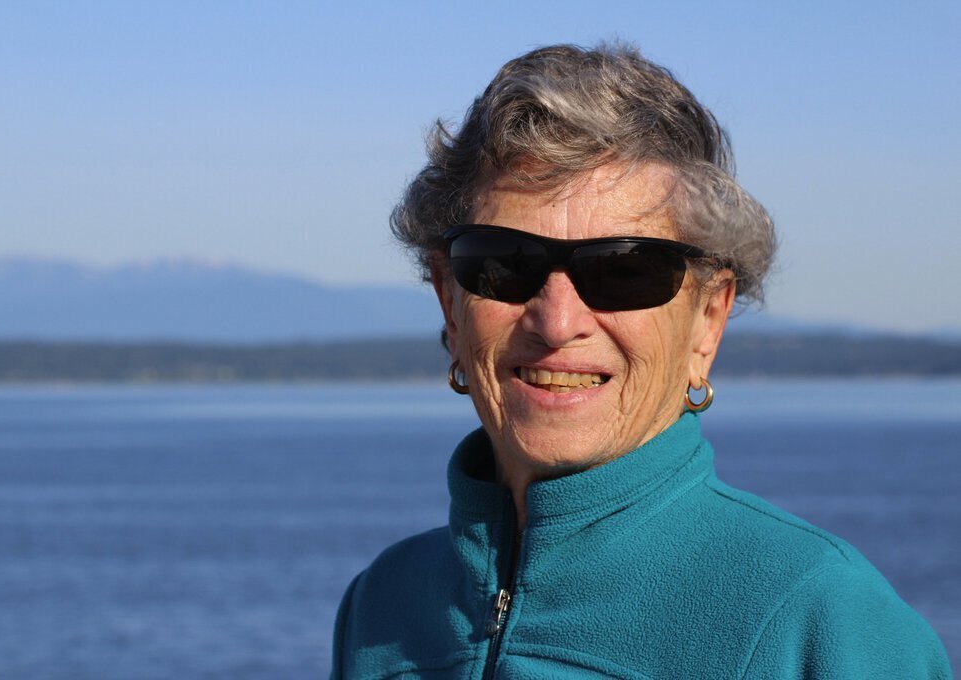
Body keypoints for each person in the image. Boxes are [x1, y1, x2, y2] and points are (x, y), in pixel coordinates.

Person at [331, 43, 952, 678]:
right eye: (504, 262)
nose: (559, 321)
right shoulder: (383, 605)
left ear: (707, 320)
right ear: (448, 300)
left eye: (625, 270)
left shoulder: (817, 623)